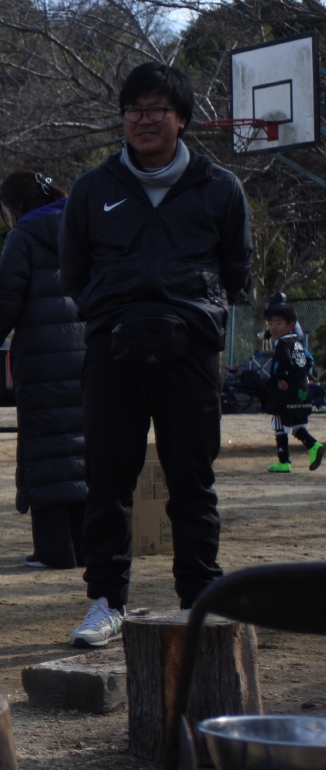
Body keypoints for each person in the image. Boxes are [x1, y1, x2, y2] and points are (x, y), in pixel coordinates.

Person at [60, 62, 252, 647]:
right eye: (134, 110)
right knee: (107, 479)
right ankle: (106, 602)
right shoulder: (93, 188)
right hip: (112, 350)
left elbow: (236, 271)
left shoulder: (220, 187)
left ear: (182, 119)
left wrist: (194, 315)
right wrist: (110, 312)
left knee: (191, 478)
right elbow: (74, 272)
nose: (144, 121)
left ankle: (199, 598)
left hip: (189, 352)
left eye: (157, 110)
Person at [0, 171, 87, 569]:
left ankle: (54, 549)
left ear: (14, 206)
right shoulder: (85, 225)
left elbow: (5, 302)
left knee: (45, 449)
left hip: (42, 357)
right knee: (82, 446)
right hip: (89, 351)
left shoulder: (23, 236)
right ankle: (86, 546)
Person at [263, 304, 321, 473]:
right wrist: (302, 375)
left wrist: (281, 377)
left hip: (284, 391)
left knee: (280, 425)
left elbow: (284, 360)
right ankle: (313, 445)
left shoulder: (282, 343)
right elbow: (309, 360)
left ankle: (284, 461)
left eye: (279, 323)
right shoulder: (298, 342)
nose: (273, 327)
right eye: (271, 323)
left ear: (291, 325)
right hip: (301, 390)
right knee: (297, 424)